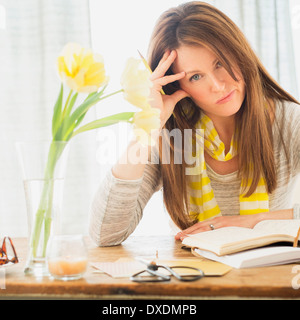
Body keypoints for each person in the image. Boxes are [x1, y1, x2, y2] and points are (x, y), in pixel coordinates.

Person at [89, 1, 300, 247]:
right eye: (196, 77)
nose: (218, 85)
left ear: (240, 53)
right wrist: (147, 124)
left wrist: (251, 221)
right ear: (178, 86)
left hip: (268, 276)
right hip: (193, 275)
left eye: (220, 63)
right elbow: (105, 234)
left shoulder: (289, 122)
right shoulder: (169, 134)